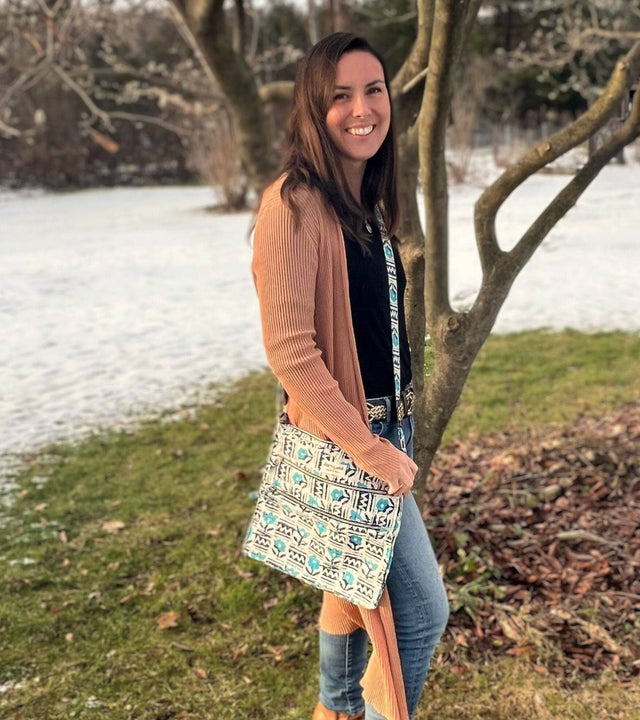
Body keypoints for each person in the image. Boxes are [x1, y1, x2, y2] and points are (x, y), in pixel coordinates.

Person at [251, 32, 449, 720]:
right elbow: (292, 350)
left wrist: (396, 430)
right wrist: (368, 446)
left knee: (348, 583)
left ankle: (335, 709)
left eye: (374, 90)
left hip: (390, 422)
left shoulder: (363, 200)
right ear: (314, 107)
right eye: (341, 95)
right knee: (422, 610)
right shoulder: (295, 202)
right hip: (350, 438)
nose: (362, 108)